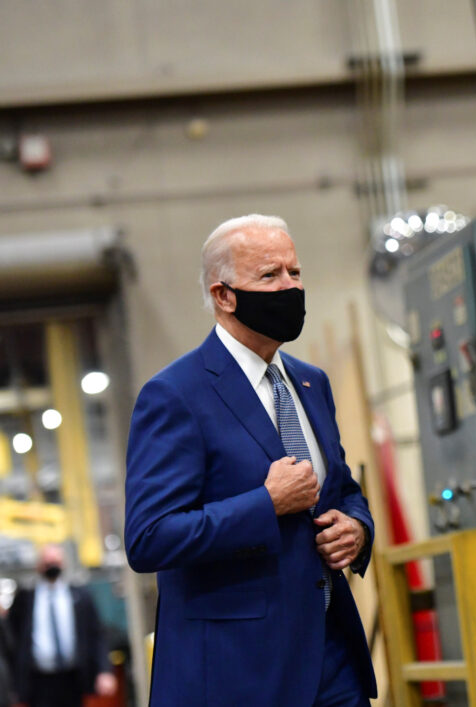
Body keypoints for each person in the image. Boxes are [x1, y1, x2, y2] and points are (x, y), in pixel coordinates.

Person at [125, 214, 376, 706]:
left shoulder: (311, 382)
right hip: (238, 672)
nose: (290, 286)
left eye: (295, 272)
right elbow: (149, 538)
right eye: (270, 276)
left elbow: (341, 487)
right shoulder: (176, 395)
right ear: (224, 296)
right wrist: (265, 504)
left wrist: (357, 528)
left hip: (330, 655)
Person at [7, 545, 115, 707]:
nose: (52, 567)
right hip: (38, 681)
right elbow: (12, 638)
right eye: (47, 562)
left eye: (55, 562)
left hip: (73, 678)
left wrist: (104, 670)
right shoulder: (26, 597)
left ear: (63, 564)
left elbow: (96, 634)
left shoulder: (80, 596)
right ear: (39, 566)